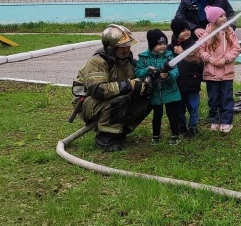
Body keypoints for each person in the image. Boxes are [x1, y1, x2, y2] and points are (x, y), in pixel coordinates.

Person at [73, 24, 151, 152]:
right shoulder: (97, 61)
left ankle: (119, 133)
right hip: (87, 102)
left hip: (112, 99)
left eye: (128, 46)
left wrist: (147, 80)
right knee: (121, 100)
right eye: (122, 47)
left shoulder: (127, 60)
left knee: (147, 99)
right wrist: (130, 85)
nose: (126, 50)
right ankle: (104, 138)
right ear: (111, 47)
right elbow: (98, 90)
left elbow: (139, 77)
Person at [198, 6, 241, 133]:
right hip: (211, 73)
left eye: (224, 15)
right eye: (221, 16)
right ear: (214, 19)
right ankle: (214, 120)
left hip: (226, 72)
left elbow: (236, 48)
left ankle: (226, 121)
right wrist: (209, 59)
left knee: (226, 97)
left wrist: (225, 59)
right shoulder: (206, 34)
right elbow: (200, 50)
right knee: (213, 98)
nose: (225, 18)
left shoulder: (229, 32)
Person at [136, 29, 182, 145]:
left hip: (170, 91)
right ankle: (155, 135)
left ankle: (175, 134)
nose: (163, 46)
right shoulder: (144, 58)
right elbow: (137, 72)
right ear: (152, 45)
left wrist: (167, 76)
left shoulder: (169, 56)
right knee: (157, 115)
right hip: (155, 92)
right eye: (159, 44)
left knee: (172, 114)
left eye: (164, 44)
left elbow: (176, 72)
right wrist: (147, 70)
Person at [169, 17, 203, 137]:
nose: (187, 32)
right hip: (177, 82)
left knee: (193, 105)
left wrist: (182, 53)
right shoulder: (171, 47)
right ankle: (181, 126)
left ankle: (193, 126)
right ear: (176, 32)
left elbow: (196, 59)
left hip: (192, 80)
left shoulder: (194, 44)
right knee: (179, 107)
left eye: (188, 29)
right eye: (183, 30)